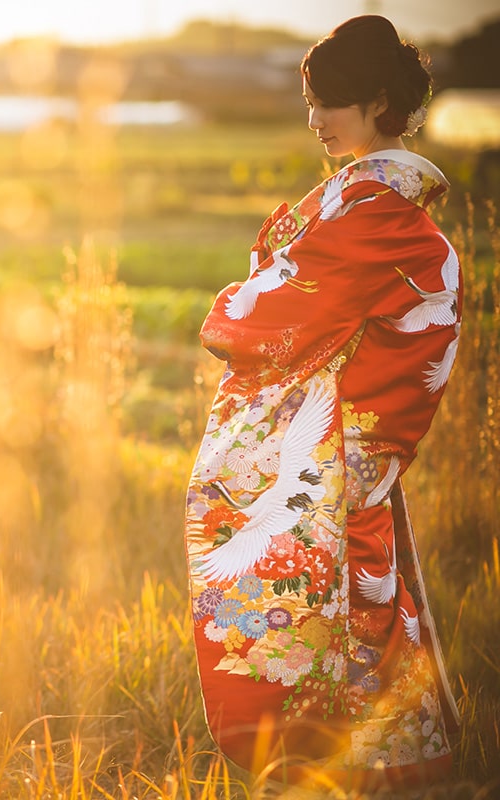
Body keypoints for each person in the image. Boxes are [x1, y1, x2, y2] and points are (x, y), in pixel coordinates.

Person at [183, 15, 460, 791]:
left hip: (339, 452)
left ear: (377, 102)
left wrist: (239, 294)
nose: (313, 122)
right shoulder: (390, 216)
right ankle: (395, 769)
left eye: (327, 103)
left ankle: (353, 773)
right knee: (364, 604)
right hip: (364, 449)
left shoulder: (375, 215)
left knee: (341, 613)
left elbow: (258, 319)